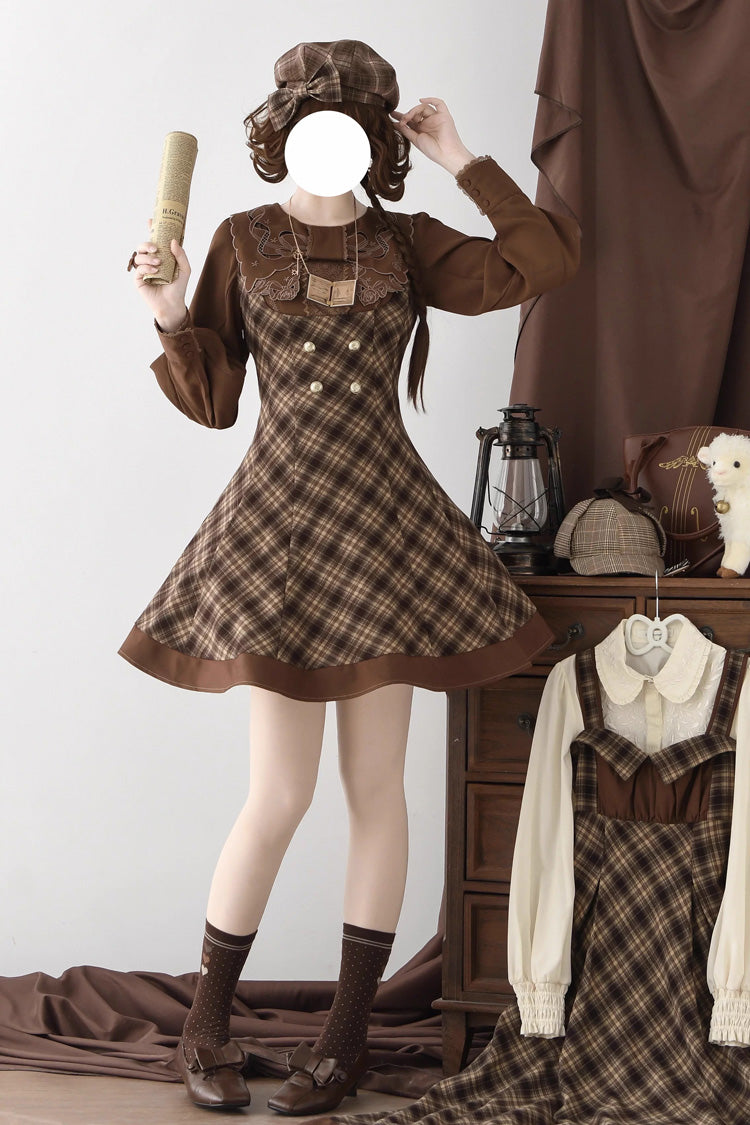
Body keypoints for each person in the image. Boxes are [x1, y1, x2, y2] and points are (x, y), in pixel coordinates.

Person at [121, 38, 580, 1115]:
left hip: (385, 538)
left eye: (349, 121)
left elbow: (544, 263)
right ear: (281, 131)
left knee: (377, 793)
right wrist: (170, 309)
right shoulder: (240, 239)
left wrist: (463, 158)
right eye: (306, 116)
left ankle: (344, 1043)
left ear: (374, 140)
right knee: (278, 796)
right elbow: (216, 405)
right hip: (280, 535)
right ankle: (204, 1027)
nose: (323, 133)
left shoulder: (407, 242)